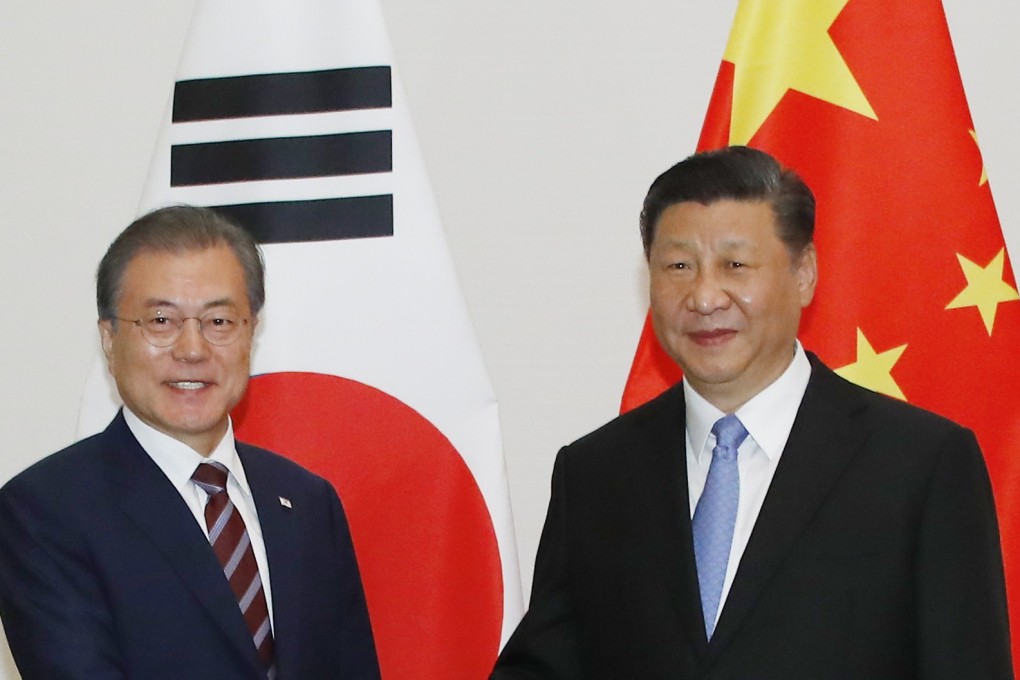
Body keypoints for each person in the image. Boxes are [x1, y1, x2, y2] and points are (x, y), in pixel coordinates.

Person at [492, 146, 1012, 679]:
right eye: (679, 266)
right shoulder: (596, 473)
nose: (705, 297)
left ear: (804, 273)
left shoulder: (920, 466)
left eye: (735, 265)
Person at [0, 206, 381, 679]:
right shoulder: (44, 513)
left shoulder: (307, 502)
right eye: (161, 320)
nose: (193, 349)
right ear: (109, 339)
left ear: (251, 332)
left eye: (219, 321)